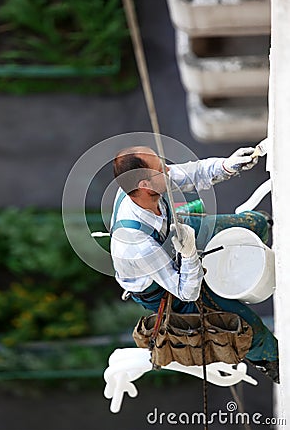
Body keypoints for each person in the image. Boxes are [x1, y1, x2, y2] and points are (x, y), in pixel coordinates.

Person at [110, 146, 279, 383]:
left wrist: (227, 166)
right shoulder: (135, 244)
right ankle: (270, 361)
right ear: (146, 186)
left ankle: (260, 230)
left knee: (250, 225)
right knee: (246, 327)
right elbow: (186, 291)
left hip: (172, 233)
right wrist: (189, 253)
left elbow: (188, 174)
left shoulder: (140, 186)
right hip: (167, 288)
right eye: (161, 169)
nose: (168, 169)